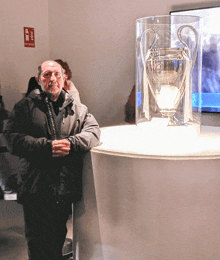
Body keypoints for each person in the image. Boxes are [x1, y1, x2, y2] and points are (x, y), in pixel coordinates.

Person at [3, 60, 100, 260]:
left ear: (64, 78)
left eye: (56, 74)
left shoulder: (77, 108)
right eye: (47, 75)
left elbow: (93, 132)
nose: (52, 79)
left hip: (62, 188)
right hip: (35, 188)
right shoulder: (24, 107)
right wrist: (46, 147)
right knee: (38, 243)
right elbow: (12, 138)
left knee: (57, 239)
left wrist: (72, 143)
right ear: (39, 80)